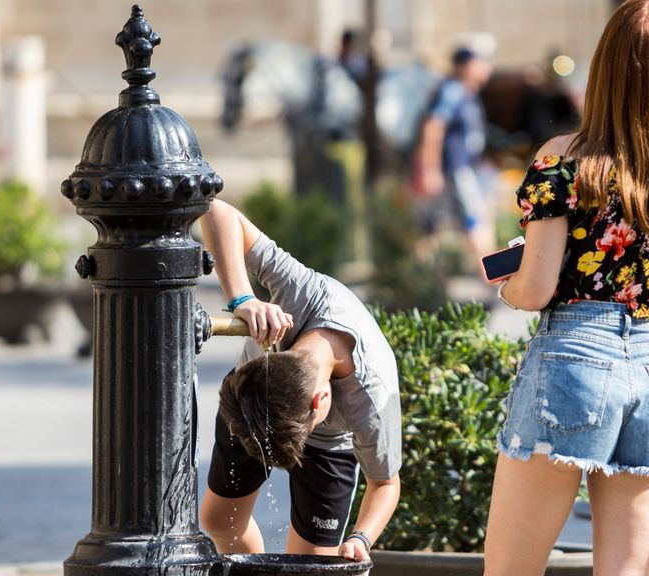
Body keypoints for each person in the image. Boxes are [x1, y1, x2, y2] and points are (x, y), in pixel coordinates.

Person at [483, 2, 649, 575]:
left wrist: (508, 286)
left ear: (602, 72)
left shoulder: (564, 162)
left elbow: (536, 288)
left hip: (575, 356)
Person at [198, 199, 401, 563]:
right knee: (218, 520)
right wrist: (242, 298)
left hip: (329, 442)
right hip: (249, 404)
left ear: (320, 400)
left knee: (312, 567)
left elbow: (385, 484)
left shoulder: (369, 401)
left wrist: (361, 538)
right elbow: (215, 211)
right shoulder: (299, 292)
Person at [413, 45, 494, 268]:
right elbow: (433, 126)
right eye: (482, 62)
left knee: (443, 225)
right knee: (472, 221)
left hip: (466, 167)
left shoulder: (468, 92)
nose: (488, 67)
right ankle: (490, 279)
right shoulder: (452, 91)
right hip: (455, 169)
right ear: (467, 65)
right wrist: (430, 168)